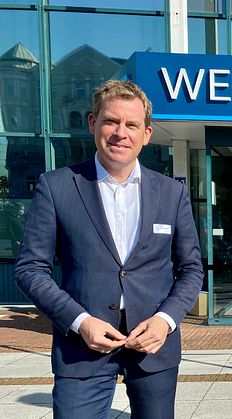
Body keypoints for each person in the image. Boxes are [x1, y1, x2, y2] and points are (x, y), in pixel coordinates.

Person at [14, 80, 203, 419]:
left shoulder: (171, 193)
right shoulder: (56, 186)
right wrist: (80, 321)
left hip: (154, 348)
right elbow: (30, 268)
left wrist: (165, 321)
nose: (120, 133)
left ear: (146, 133)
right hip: (81, 346)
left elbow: (191, 269)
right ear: (93, 123)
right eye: (111, 121)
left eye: (131, 125)